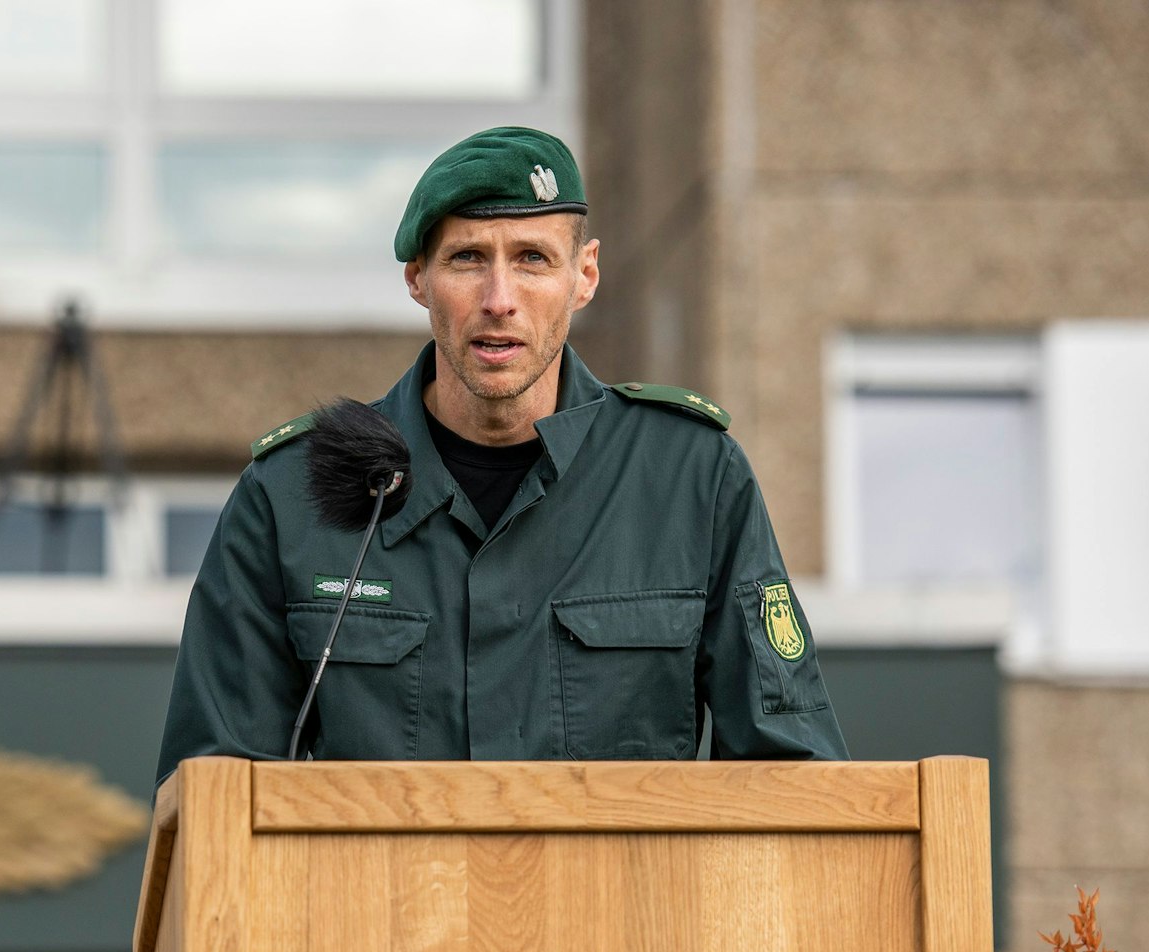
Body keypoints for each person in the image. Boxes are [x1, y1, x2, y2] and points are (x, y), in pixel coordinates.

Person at [155, 126, 847, 784]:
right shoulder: (291, 494)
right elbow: (215, 806)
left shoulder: (692, 479)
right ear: (418, 278)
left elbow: (792, 781)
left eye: (532, 259)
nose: (499, 299)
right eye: (467, 259)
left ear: (585, 275)